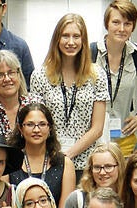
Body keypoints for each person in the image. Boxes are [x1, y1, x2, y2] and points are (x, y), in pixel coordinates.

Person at [29, 14, 107, 172]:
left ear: (83, 41)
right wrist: (56, 156)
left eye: (76, 36)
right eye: (65, 36)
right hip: (49, 161)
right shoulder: (39, 76)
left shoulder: (97, 75)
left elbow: (97, 128)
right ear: (57, 39)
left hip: (86, 164)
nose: (71, 42)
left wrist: (68, 154)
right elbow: (37, 122)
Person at [91, 0, 137, 157]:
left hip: (125, 135)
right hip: (94, 136)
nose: (121, 29)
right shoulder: (90, 52)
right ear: (106, 24)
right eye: (116, 22)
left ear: (133, 26)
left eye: (127, 24)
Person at [6, 103, 76, 208]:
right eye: (30, 124)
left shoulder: (65, 164)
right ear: (20, 128)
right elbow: (7, 207)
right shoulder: (8, 161)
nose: (36, 130)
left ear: (50, 129)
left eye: (42, 124)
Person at [60, 142, 124, 208]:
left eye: (108, 167)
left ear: (120, 167)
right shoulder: (77, 200)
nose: (102, 172)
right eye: (97, 167)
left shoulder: (130, 198)